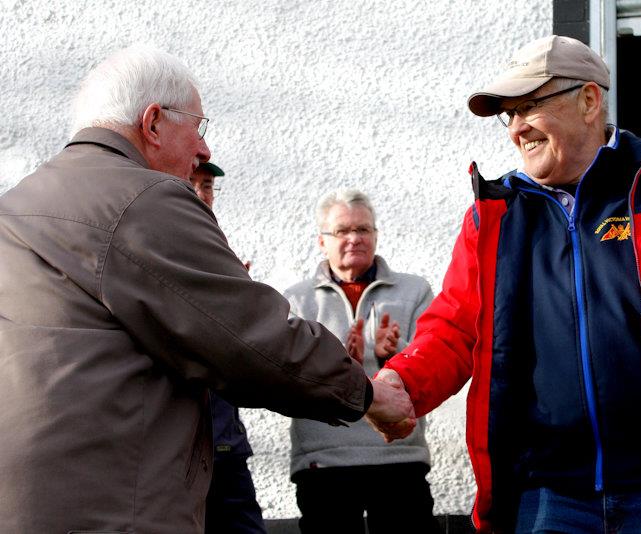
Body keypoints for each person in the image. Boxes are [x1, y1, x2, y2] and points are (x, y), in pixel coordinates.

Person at [367, 35, 641, 533]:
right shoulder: (494, 216)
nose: (517, 128)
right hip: (548, 498)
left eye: (529, 106)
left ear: (590, 100)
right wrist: (404, 380)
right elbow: (456, 328)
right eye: (509, 114)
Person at [0, 45, 413, 533]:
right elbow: (249, 337)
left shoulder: (16, 206)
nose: (204, 151)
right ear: (153, 123)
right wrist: (368, 395)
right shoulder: (145, 199)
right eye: (198, 126)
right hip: (115, 508)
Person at [283, 188, 440, 534]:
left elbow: (434, 360)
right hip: (324, 461)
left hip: (398, 456)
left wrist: (397, 354)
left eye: (363, 229)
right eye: (342, 231)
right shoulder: (295, 300)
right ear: (321, 241)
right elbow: (285, 379)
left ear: (376, 236)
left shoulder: (414, 291)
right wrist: (338, 365)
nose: (354, 238)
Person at [189, 161, 266, 534]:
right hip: (173, 456)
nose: (202, 195)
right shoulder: (149, 247)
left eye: (208, 186)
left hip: (225, 447)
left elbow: (246, 360)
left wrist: (245, 308)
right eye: (193, 183)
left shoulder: (221, 255)